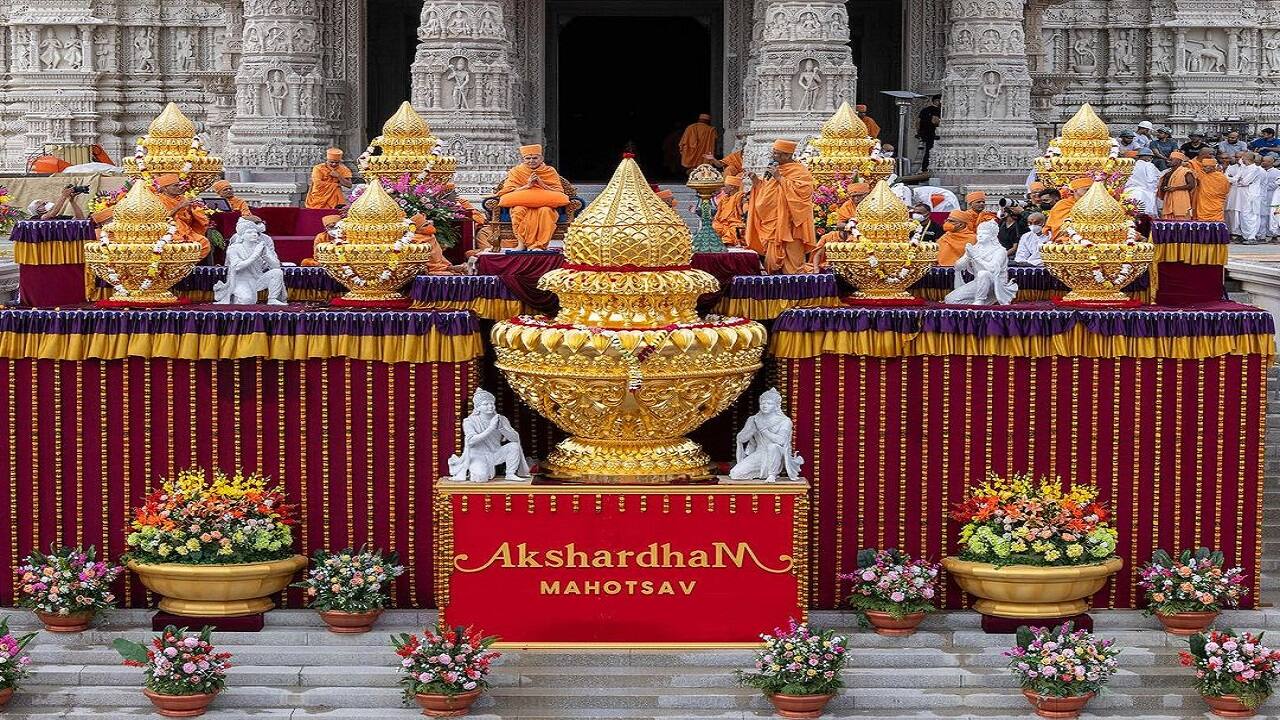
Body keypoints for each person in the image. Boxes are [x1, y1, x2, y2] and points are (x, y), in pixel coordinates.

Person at [744, 139, 816, 274]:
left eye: (777, 154)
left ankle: (797, 291)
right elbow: (766, 192)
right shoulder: (774, 169)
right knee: (771, 262)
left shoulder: (800, 171)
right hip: (773, 223)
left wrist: (779, 178)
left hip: (791, 224)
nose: (773, 156)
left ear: (787, 155)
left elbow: (804, 194)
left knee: (794, 267)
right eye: (774, 153)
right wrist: (755, 180)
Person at [496, 144, 570, 251]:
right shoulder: (516, 171)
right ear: (523, 159)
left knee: (546, 211)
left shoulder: (549, 171)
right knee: (518, 210)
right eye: (528, 158)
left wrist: (542, 184)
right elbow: (509, 190)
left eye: (535, 158)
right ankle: (521, 244)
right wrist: (528, 186)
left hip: (544, 203)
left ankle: (539, 245)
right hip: (522, 202)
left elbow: (559, 191)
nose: (531, 161)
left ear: (541, 158)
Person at [447, 388, 529, 483]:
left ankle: (510, 473)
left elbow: (515, 438)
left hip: (495, 453)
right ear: (477, 407)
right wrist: (490, 428)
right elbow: (470, 441)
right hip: (478, 456)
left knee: (513, 446)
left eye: (492, 404)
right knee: (480, 478)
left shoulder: (500, 419)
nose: (490, 406)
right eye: (486, 404)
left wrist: (502, 428)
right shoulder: (469, 421)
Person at [729, 388, 803, 482]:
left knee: (773, 447)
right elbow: (741, 439)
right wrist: (750, 431)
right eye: (762, 403)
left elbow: (781, 441)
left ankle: (772, 474)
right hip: (760, 452)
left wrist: (763, 430)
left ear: (776, 406)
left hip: (776, 453)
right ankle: (761, 473)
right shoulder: (754, 419)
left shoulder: (784, 421)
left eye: (769, 403)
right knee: (735, 474)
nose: (765, 406)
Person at [213, 217, 286, 305]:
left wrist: (265, 255)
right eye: (249, 232)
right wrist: (255, 254)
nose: (254, 234)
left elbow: (276, 266)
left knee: (277, 272)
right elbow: (237, 267)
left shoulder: (261, 246)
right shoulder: (234, 248)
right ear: (242, 236)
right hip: (242, 280)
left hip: (258, 278)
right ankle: (237, 294)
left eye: (255, 232)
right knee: (246, 301)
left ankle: (272, 299)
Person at [944, 220, 1018, 305]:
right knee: (950, 299)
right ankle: (984, 302)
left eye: (984, 234)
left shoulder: (1000, 251)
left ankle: (980, 300)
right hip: (979, 282)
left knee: (983, 273)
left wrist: (976, 257)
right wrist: (967, 255)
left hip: (995, 283)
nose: (980, 236)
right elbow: (958, 267)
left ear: (992, 236)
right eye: (979, 233)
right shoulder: (975, 249)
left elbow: (993, 269)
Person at [153, 173, 211, 256]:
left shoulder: (182, 198)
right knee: (178, 242)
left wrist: (194, 209)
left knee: (204, 242)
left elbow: (188, 218)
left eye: (179, 185)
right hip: (168, 230)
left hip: (185, 229)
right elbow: (161, 218)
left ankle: (188, 265)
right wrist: (179, 206)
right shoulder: (158, 200)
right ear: (165, 188)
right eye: (175, 186)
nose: (179, 187)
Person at [937, 191, 997, 265]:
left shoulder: (989, 217)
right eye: (978, 202)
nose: (982, 204)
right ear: (971, 204)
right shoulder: (963, 216)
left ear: (962, 224)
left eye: (983, 202)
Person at [1230, 152, 1266, 242]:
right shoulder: (1243, 168)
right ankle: (1246, 236)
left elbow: (1244, 182)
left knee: (1252, 216)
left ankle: (1251, 237)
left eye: (1242, 157)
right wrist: (1236, 180)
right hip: (1244, 196)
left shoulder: (1256, 169)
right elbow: (1236, 179)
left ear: (1246, 158)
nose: (1240, 159)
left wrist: (1238, 181)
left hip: (1252, 195)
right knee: (1244, 215)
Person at [1156, 152, 1196, 219]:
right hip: (1168, 199)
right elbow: (1163, 186)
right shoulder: (1167, 172)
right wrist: (1164, 188)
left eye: (1171, 159)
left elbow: (1191, 185)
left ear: (1178, 161)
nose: (1168, 161)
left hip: (1181, 199)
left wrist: (1175, 188)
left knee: (1182, 222)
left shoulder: (1186, 171)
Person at [712, 175, 747, 247]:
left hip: (735, 221)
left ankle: (732, 243)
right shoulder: (724, 199)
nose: (722, 188)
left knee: (736, 228)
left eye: (725, 186)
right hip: (723, 222)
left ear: (732, 187)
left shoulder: (740, 196)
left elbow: (744, 210)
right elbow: (718, 213)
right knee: (714, 226)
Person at [1192, 157, 1231, 222]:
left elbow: (1226, 190)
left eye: (1205, 167)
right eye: (1203, 166)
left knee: (1217, 223)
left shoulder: (1221, 177)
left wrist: (1214, 194)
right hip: (1203, 204)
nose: (1203, 168)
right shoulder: (1202, 175)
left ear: (1212, 167)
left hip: (1216, 203)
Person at [1124, 148, 1161, 215]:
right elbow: (1152, 180)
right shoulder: (1149, 165)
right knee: (1143, 218)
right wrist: (1153, 192)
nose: (1151, 159)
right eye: (1151, 157)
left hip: (1127, 193)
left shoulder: (1130, 165)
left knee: (1128, 215)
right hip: (1143, 194)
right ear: (1147, 157)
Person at [916, 95, 942, 170]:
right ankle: (927, 168)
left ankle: (925, 168)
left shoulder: (925, 110)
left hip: (926, 133)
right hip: (933, 134)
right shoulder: (938, 110)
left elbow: (918, 122)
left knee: (928, 150)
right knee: (930, 151)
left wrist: (919, 132)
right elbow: (935, 120)